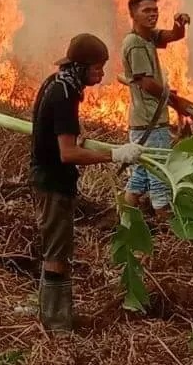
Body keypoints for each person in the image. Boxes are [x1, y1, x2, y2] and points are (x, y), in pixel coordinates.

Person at [30, 33, 143, 332]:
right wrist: (115, 154)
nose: (101, 74)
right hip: (53, 184)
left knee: (59, 250)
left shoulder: (56, 84)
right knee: (56, 254)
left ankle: (57, 313)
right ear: (80, 67)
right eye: (97, 67)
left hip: (49, 180)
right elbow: (67, 154)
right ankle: (56, 325)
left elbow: (60, 139)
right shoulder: (65, 95)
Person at [121, 0, 193, 222]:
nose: (152, 14)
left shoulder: (148, 37)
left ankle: (124, 220)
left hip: (143, 122)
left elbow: (173, 36)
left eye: (155, 10)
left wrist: (179, 24)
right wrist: (176, 102)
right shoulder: (135, 43)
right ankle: (168, 228)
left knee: (140, 175)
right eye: (146, 11)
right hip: (151, 122)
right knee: (160, 175)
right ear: (133, 15)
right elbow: (146, 82)